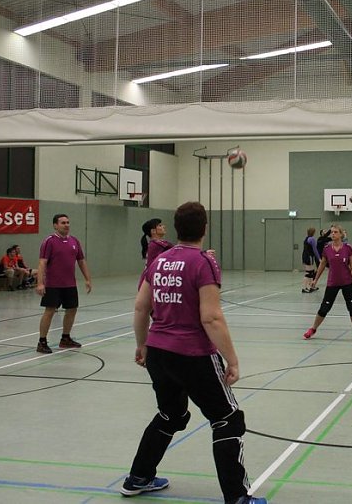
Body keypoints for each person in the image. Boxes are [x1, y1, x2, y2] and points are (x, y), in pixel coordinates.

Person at [122, 202, 267, 503]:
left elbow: (140, 306)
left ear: (176, 228)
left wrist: (142, 344)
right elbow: (211, 317)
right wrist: (233, 359)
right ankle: (238, 498)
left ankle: (139, 476)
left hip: (159, 352)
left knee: (170, 414)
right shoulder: (203, 262)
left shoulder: (159, 260)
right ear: (204, 228)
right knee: (228, 419)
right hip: (193, 354)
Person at [35, 214, 93, 354]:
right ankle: (42, 342)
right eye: (63, 223)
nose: (66, 225)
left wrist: (87, 279)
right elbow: (42, 262)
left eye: (68, 222)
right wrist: (40, 283)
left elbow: (81, 261)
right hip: (53, 285)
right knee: (49, 311)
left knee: (72, 310)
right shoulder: (49, 241)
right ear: (55, 225)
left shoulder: (74, 241)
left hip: (69, 284)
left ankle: (65, 339)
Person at [304, 224, 352, 341]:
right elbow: (322, 265)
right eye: (332, 232)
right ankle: (313, 329)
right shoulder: (327, 249)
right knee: (324, 308)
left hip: (347, 282)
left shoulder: (348, 248)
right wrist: (315, 280)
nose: (333, 234)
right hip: (332, 283)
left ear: (341, 234)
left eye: (336, 232)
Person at [301, 226, 321, 294]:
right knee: (308, 273)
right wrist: (319, 258)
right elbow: (315, 250)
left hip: (306, 256)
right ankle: (304, 288)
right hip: (309, 257)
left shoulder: (306, 238)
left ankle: (311, 286)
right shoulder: (312, 239)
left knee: (311, 272)